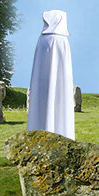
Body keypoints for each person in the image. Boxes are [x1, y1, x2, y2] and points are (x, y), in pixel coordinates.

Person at [27, 9, 75, 139]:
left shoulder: (43, 40)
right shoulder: (62, 41)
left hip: (43, 84)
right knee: (60, 102)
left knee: (42, 105)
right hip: (59, 84)